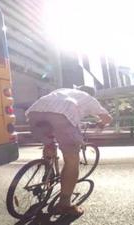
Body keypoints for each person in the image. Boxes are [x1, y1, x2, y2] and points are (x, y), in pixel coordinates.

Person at [25, 86, 112, 217]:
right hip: (62, 114)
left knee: (49, 142)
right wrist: (101, 124)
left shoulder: (62, 91)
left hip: (34, 112)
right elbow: (107, 118)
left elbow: (53, 108)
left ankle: (47, 170)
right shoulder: (89, 98)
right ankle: (64, 204)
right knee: (71, 160)